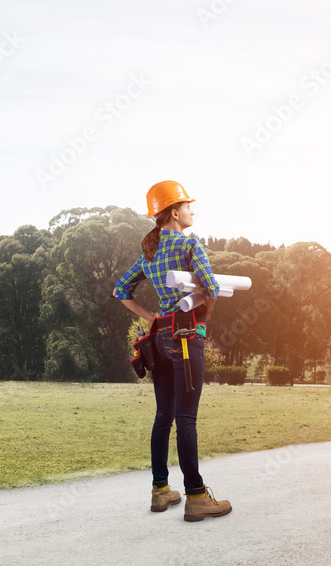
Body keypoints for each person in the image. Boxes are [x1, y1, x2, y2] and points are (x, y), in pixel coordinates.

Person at [112, 180, 232, 522]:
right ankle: (196, 496)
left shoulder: (149, 253)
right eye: (188, 206)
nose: (193, 211)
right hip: (184, 335)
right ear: (175, 212)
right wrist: (204, 319)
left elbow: (121, 289)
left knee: (164, 415)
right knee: (187, 418)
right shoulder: (191, 244)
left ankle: (161, 490)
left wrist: (152, 317)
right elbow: (211, 286)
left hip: (159, 339)